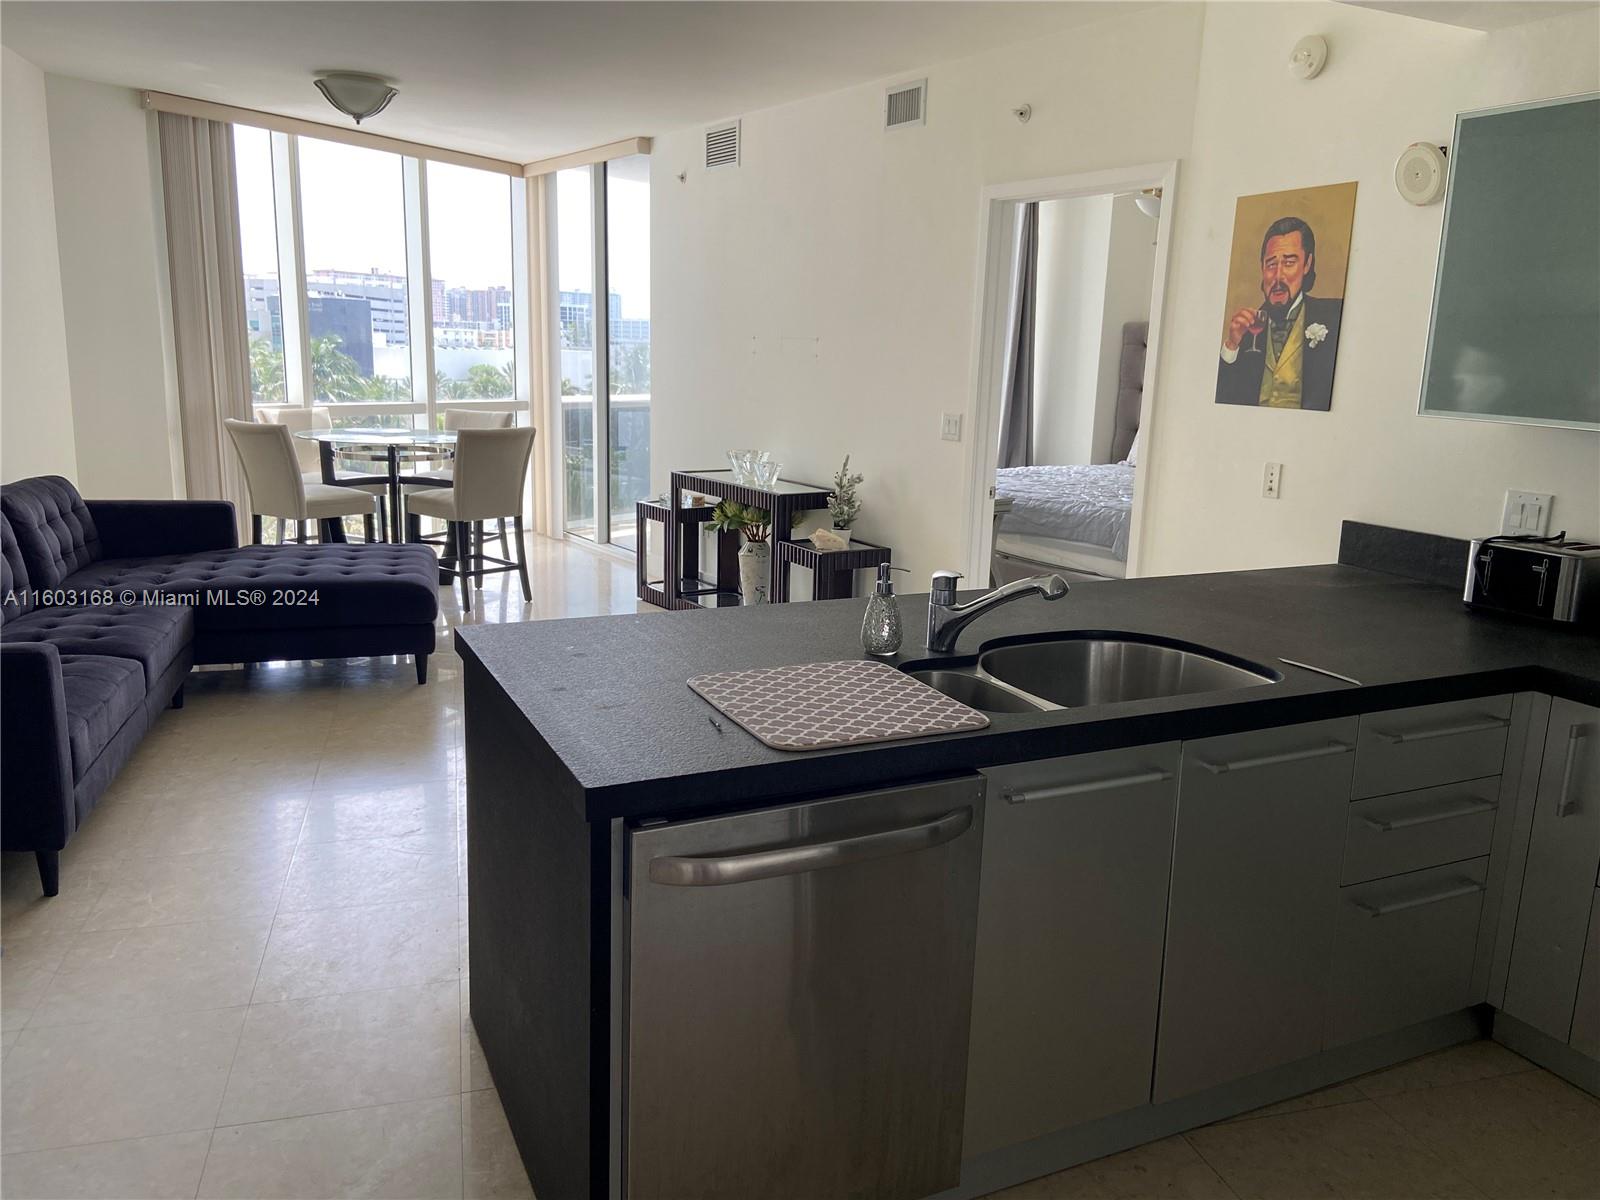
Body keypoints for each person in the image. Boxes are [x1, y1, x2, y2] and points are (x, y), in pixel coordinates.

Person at [1216, 215, 1343, 410]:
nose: (1277, 276)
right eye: (1271, 264)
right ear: (1262, 268)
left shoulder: (1333, 316)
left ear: (1307, 264)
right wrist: (1232, 345)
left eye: (1289, 262)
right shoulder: (1247, 329)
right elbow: (1224, 401)